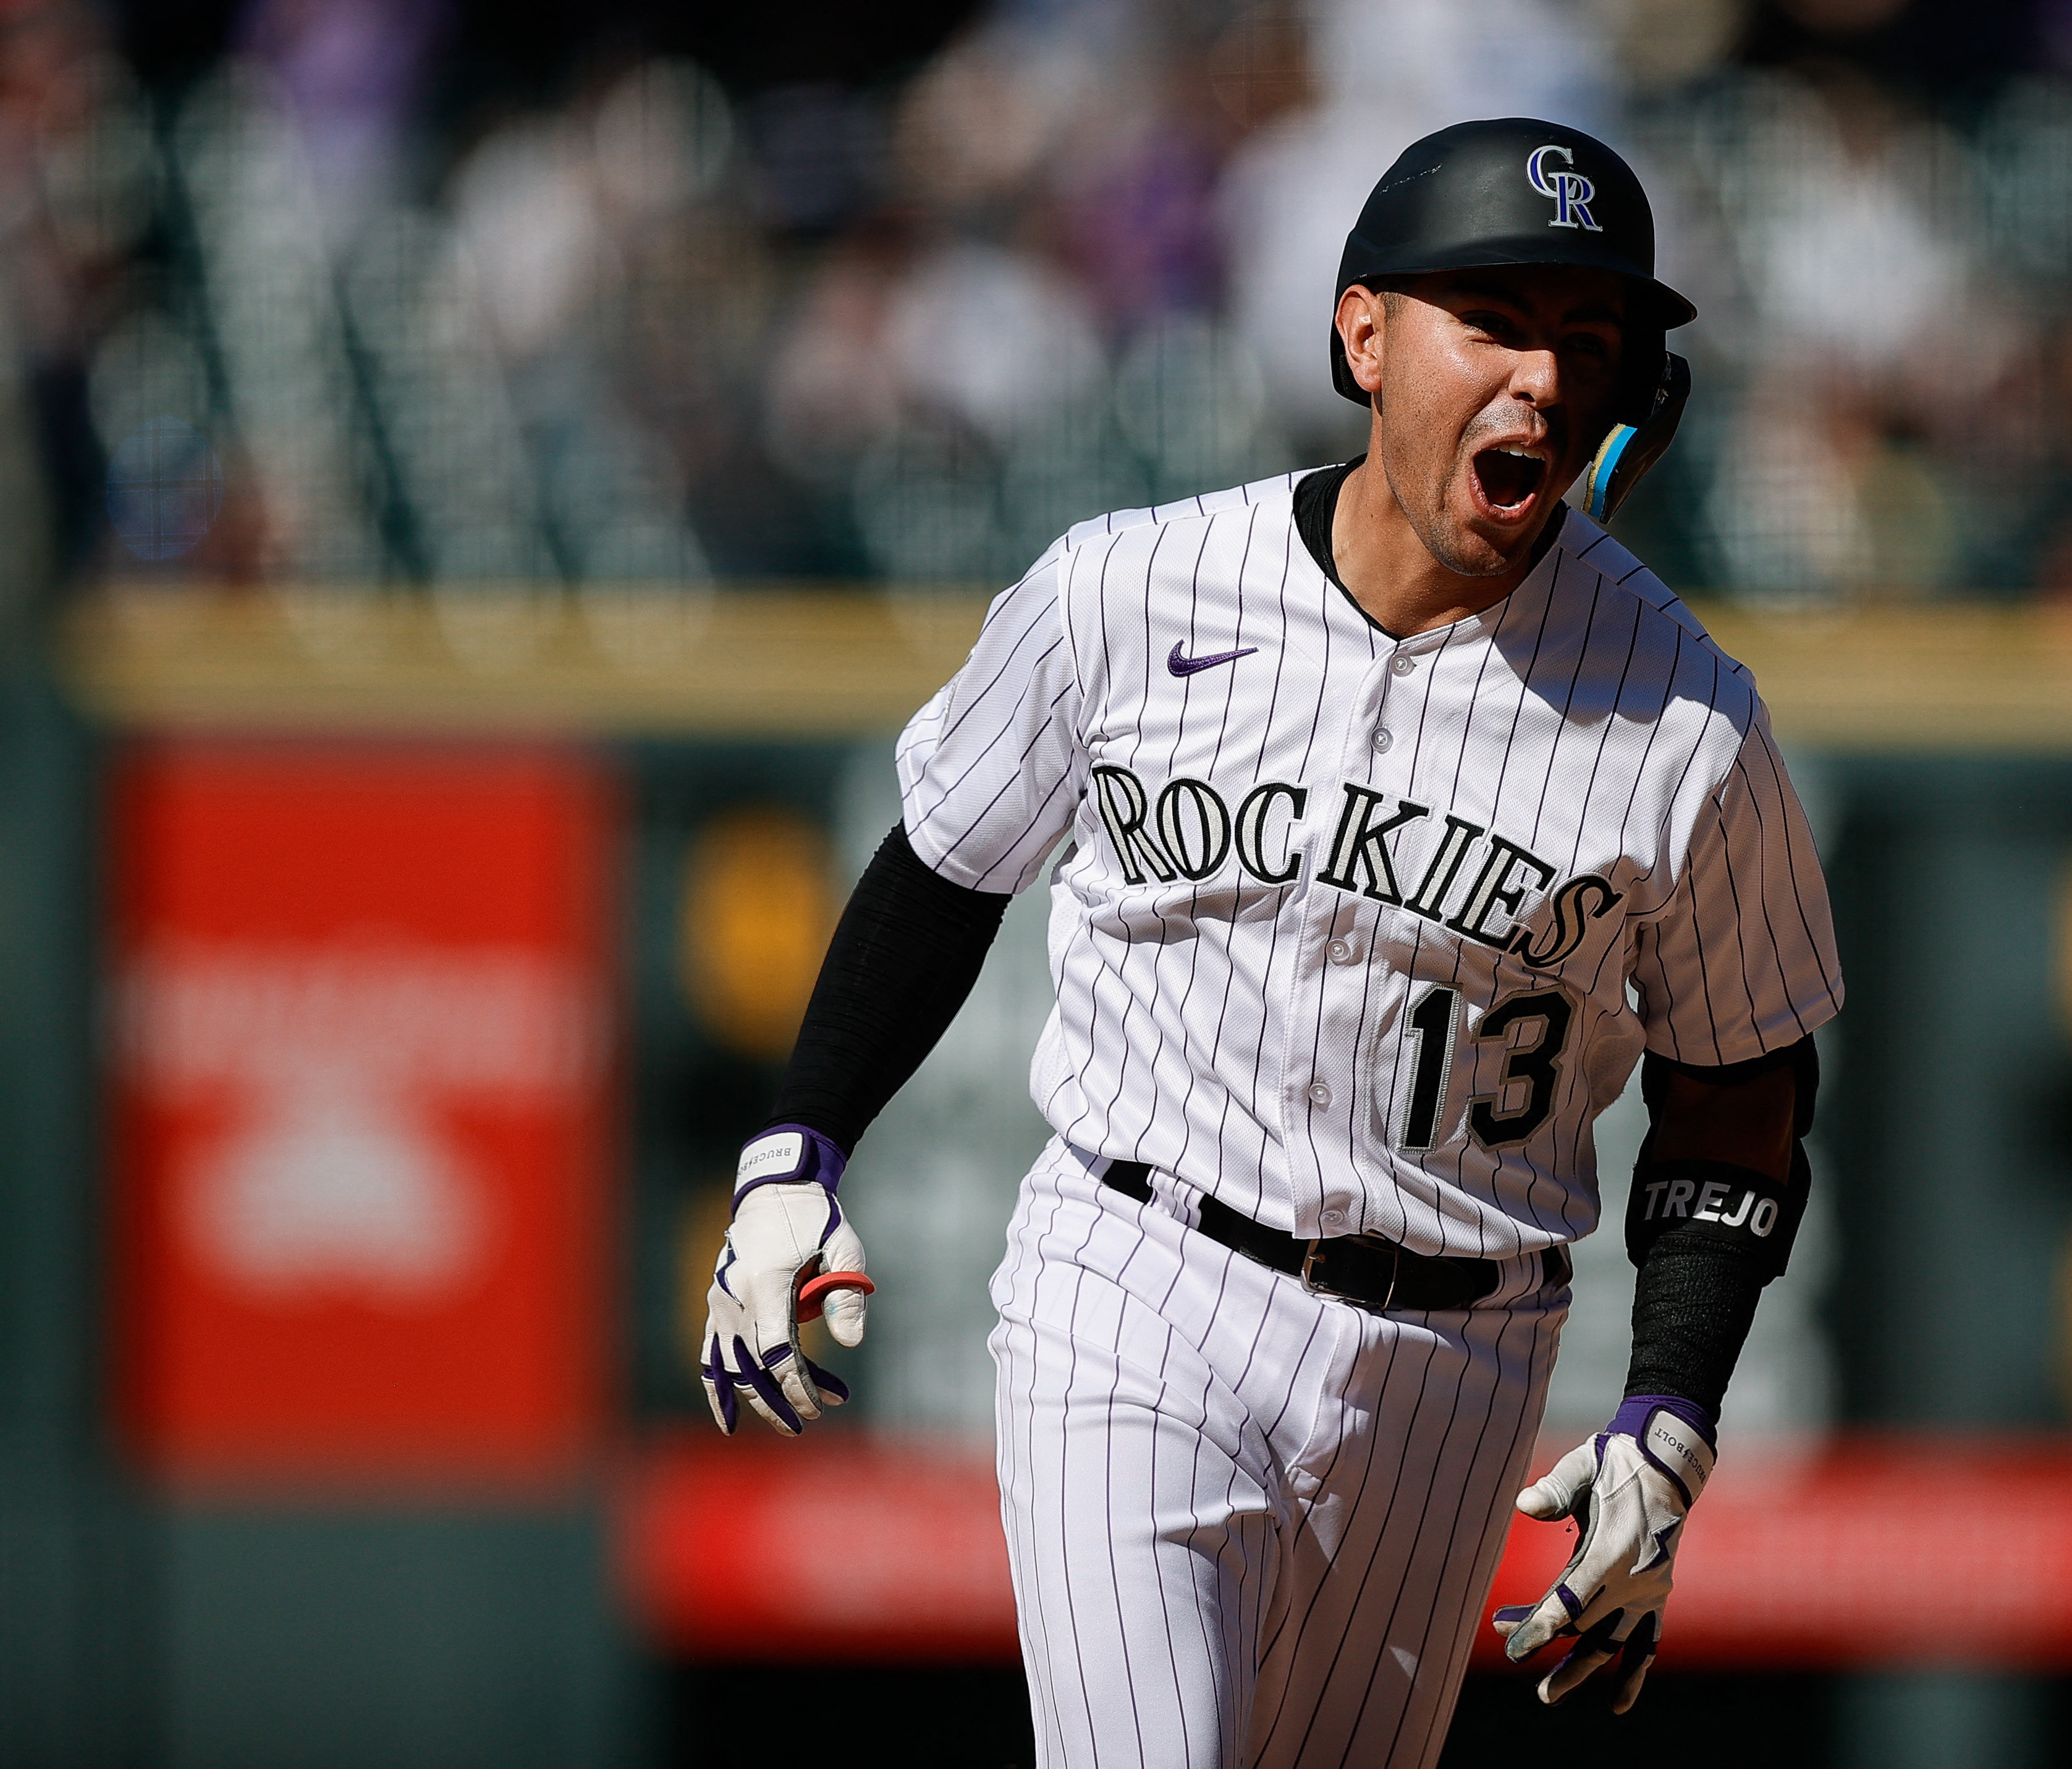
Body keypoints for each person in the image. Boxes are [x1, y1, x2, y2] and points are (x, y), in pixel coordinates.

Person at [698, 117, 1842, 1768]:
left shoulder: (1684, 723)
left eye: (1587, 342)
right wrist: (796, 1151)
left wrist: (1670, 1411)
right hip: (1138, 1276)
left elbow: (1743, 1086)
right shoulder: (1132, 591)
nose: (1541, 375)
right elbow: (946, 866)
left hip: (1460, 1359)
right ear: (1363, 335)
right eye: (1495, 320)